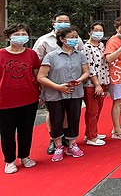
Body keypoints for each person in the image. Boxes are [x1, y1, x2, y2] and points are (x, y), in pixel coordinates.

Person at [33, 13, 84, 154]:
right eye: (60, 21)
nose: (64, 23)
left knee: (70, 113)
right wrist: (42, 85)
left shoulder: (77, 40)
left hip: (72, 84)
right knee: (54, 113)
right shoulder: (44, 40)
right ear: (54, 23)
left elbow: (80, 57)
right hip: (52, 84)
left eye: (66, 21)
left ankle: (68, 139)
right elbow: (36, 63)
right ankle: (54, 139)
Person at [0, 23, 40, 174]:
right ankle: (9, 160)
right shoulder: (1, 54)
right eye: (17, 34)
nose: (21, 37)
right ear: (8, 37)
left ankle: (24, 156)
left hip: (29, 98)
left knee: (26, 130)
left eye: (24, 34)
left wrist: (41, 92)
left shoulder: (31, 54)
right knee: (7, 133)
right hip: (5, 101)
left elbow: (36, 73)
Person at [82, 22, 109, 146]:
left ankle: (91, 132)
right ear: (90, 32)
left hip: (102, 81)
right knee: (92, 111)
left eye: (101, 30)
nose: (98, 33)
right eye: (96, 30)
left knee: (98, 109)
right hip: (91, 84)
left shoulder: (101, 45)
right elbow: (90, 67)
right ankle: (91, 137)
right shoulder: (86, 47)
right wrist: (97, 84)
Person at [104, 17, 121, 140]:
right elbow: (109, 58)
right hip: (116, 75)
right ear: (116, 28)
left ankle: (118, 125)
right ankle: (116, 130)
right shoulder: (112, 41)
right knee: (117, 102)